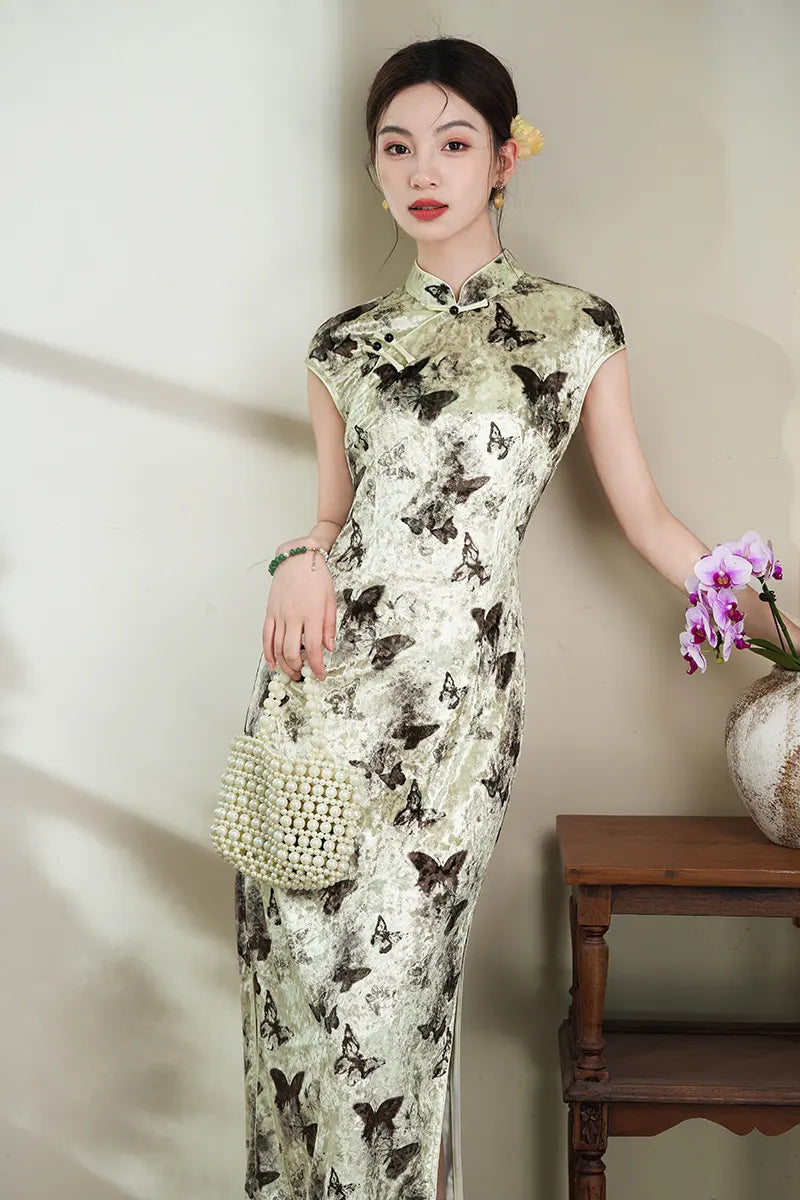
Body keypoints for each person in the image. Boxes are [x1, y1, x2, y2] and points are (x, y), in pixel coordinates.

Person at [232, 35, 800, 1200]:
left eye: (451, 141)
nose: (419, 168)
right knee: (300, 1021)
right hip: (319, 707)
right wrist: (294, 558)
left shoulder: (571, 328)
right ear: (374, 168)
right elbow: (333, 519)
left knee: (385, 1018)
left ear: (502, 158)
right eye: (395, 147)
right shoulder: (342, 347)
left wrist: (776, 636)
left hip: (452, 721)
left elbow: (643, 519)